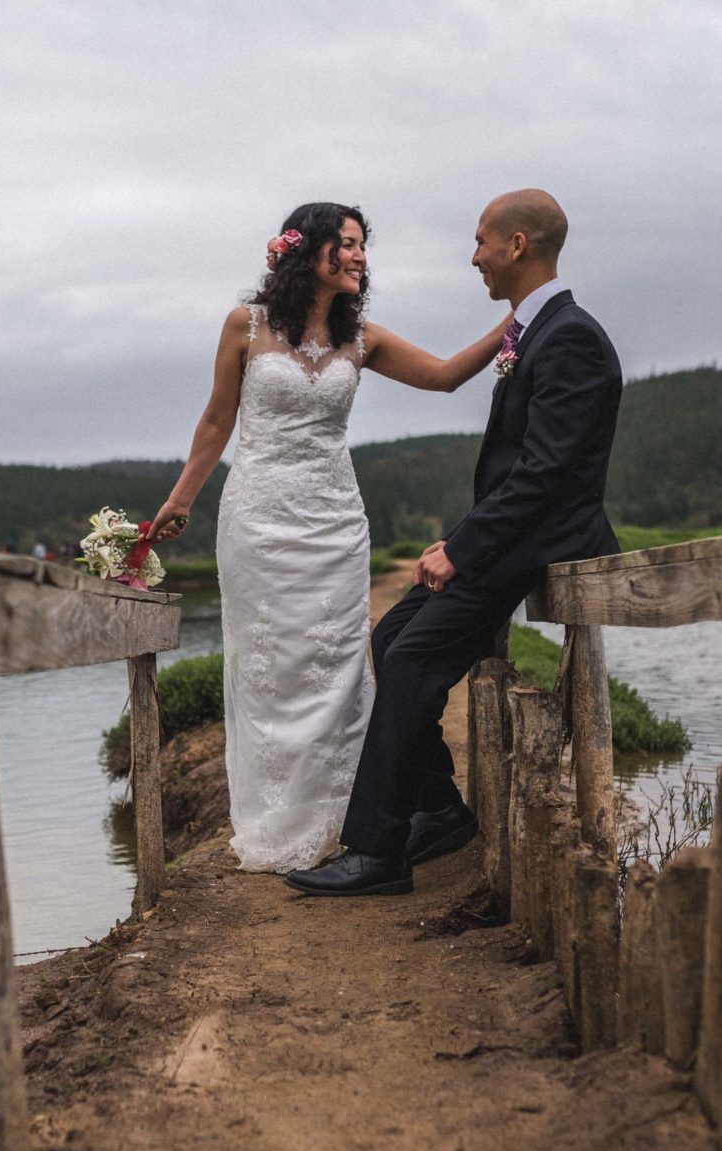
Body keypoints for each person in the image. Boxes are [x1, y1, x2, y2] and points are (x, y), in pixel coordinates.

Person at [149, 202, 511, 873]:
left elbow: (443, 375)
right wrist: (179, 502)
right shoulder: (245, 325)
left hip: (336, 523)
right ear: (307, 250)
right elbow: (215, 421)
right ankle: (281, 818)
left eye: (363, 246)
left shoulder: (362, 338)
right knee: (272, 670)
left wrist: (515, 323)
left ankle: (352, 815)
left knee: (340, 668)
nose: (359, 256)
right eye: (347, 244)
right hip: (257, 518)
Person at [287, 189, 623, 896]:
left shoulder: (571, 336)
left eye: (480, 242)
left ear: (517, 246)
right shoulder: (533, 332)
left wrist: (463, 549)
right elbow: (520, 471)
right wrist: (460, 539)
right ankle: (439, 809)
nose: (474, 256)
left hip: (536, 545)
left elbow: (544, 474)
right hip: (507, 540)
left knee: (410, 660)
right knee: (391, 640)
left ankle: (378, 850)